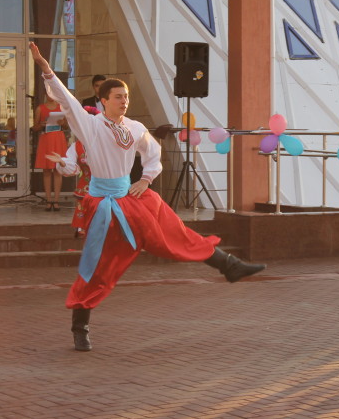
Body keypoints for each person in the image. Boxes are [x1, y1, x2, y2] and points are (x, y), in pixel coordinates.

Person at [30, 42, 266, 352]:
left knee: (177, 233)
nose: (124, 101)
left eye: (126, 96)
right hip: (104, 207)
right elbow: (66, 99)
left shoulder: (135, 127)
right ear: (103, 101)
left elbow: (153, 154)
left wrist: (145, 179)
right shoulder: (89, 126)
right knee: (99, 267)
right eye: (118, 97)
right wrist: (46, 68)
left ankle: (229, 265)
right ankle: (80, 326)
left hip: (134, 199)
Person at [47, 105, 100, 238]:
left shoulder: (107, 142)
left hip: (107, 189)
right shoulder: (77, 146)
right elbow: (72, 166)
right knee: (85, 232)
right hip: (86, 190)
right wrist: (62, 162)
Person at [33, 93, 68, 211]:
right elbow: (35, 127)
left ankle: (56, 200)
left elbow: (67, 126)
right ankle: (48, 200)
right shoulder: (40, 108)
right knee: (47, 170)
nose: (51, 96)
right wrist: (41, 125)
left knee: (58, 169)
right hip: (46, 139)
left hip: (58, 138)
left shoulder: (61, 107)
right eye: (48, 93)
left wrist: (63, 123)